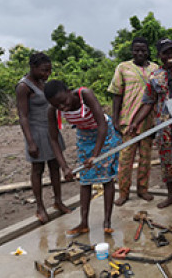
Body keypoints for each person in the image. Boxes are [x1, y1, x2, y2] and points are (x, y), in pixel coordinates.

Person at [128, 38, 172, 209]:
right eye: (165, 53)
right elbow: (148, 102)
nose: (170, 56)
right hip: (164, 128)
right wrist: (135, 123)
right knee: (167, 162)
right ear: (159, 55)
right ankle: (170, 196)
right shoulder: (154, 77)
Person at [44, 80, 121, 236]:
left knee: (106, 178)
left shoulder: (84, 95)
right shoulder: (52, 109)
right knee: (85, 179)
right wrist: (64, 167)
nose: (62, 107)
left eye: (63, 102)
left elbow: (102, 125)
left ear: (68, 91)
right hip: (84, 136)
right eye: (58, 106)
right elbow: (53, 139)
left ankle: (107, 222)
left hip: (104, 135)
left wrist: (95, 155)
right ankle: (83, 223)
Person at [15, 52, 71, 224]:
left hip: (51, 130)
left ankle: (58, 201)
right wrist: (30, 142)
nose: (47, 74)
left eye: (49, 71)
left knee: (55, 167)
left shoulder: (42, 83)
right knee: (38, 169)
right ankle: (40, 207)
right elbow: (23, 116)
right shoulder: (24, 87)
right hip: (36, 133)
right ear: (33, 67)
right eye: (44, 70)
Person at [108, 37, 159, 206]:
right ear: (132, 51)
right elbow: (117, 95)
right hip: (127, 120)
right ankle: (123, 192)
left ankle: (142, 189)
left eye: (143, 50)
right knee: (125, 160)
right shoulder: (123, 68)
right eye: (136, 50)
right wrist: (115, 119)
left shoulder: (155, 69)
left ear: (148, 51)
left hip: (148, 123)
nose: (140, 53)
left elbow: (159, 96)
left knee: (145, 159)